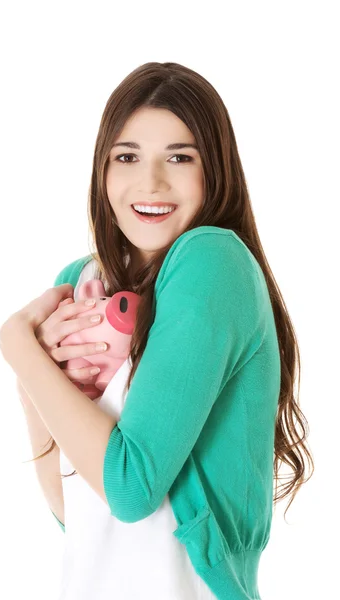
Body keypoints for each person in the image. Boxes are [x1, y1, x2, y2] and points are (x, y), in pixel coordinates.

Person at [20, 62, 314, 599]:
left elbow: (129, 492)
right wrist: (32, 372)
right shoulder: (81, 282)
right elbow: (75, 511)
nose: (150, 182)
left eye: (179, 158)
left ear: (214, 171)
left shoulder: (213, 260)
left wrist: (18, 347)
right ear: (102, 171)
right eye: (126, 157)